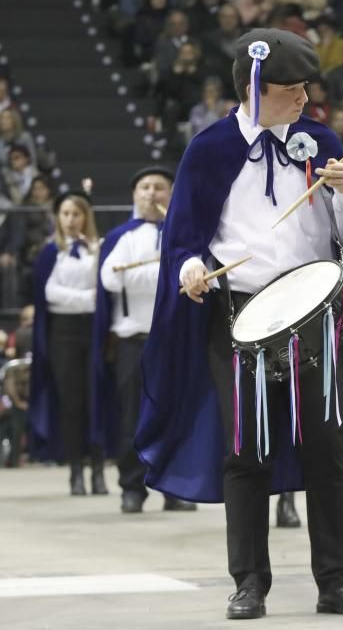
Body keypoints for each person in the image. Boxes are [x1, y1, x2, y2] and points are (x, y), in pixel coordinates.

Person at [135, 28, 343, 619]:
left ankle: (335, 582)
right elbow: (186, 238)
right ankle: (248, 582)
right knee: (245, 451)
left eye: (306, 89)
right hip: (240, 312)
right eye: (290, 89)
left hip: (312, 316)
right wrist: (192, 270)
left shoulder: (320, 141)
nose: (303, 99)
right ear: (254, 87)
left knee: (327, 447)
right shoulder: (209, 148)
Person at [94, 166, 196, 514]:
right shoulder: (123, 237)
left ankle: (174, 487)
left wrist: (146, 274)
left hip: (174, 340)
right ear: (135, 194)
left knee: (176, 414)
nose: (152, 193)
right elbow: (110, 281)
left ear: (171, 194)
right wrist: (163, 274)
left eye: (160, 187)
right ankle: (132, 487)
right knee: (132, 417)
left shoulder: (184, 235)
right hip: (133, 341)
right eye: (145, 187)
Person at [29, 190, 104, 496]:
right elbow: (50, 295)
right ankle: (75, 471)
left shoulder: (98, 249)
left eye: (76, 213)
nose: (71, 220)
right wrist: (86, 299)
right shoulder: (50, 252)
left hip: (93, 331)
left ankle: (98, 470)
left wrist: (84, 299)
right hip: (62, 333)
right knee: (71, 402)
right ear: (57, 218)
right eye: (65, 214)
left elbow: (105, 290)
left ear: (86, 216)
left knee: (95, 398)